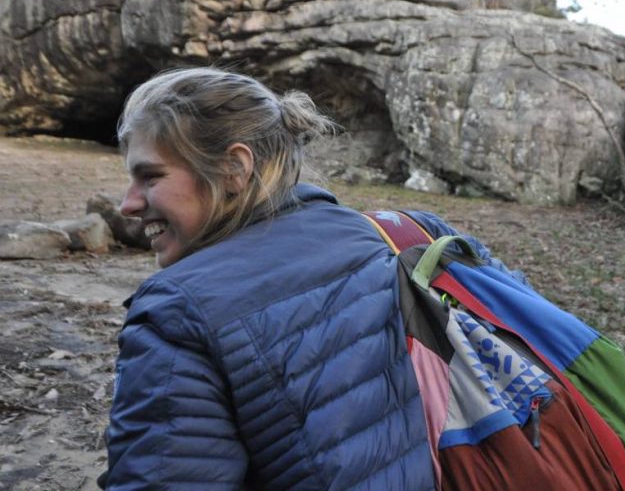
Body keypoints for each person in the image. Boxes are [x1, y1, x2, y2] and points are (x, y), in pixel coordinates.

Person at [103, 67, 510, 489]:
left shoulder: (178, 310)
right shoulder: (416, 234)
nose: (128, 204)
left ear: (234, 169)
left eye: (150, 177)